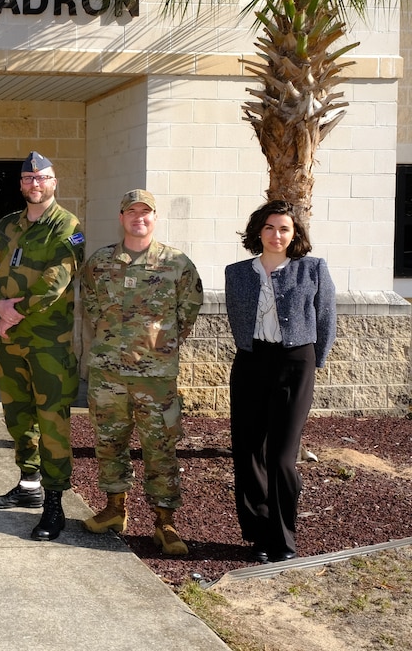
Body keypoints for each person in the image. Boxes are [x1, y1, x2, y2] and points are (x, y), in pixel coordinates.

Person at [79, 189, 204, 556]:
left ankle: (165, 522)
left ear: (154, 217)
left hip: (156, 376)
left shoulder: (177, 263)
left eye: (145, 212)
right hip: (108, 373)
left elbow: (189, 309)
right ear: (121, 218)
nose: (139, 218)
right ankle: (115, 509)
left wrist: (158, 345)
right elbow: (89, 303)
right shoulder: (100, 262)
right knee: (109, 443)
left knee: (160, 448)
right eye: (131, 212)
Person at [0, 151, 84, 540]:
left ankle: (55, 505)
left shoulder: (66, 225)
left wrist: (10, 312)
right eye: (28, 178)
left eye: (42, 178)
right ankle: (29, 486)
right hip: (11, 343)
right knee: (18, 417)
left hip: (48, 346)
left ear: (54, 182)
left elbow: (55, 282)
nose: (34, 184)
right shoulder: (8, 225)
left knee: (52, 422)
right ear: (21, 184)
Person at [225, 199, 336, 563]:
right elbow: (236, 316)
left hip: (295, 363)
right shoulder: (237, 272)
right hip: (251, 362)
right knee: (248, 450)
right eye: (270, 227)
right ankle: (259, 533)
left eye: (284, 228)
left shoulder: (313, 269)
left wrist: (311, 362)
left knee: (282, 457)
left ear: (295, 234)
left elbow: (326, 319)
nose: (277, 235)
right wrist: (251, 350)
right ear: (259, 230)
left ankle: (283, 538)